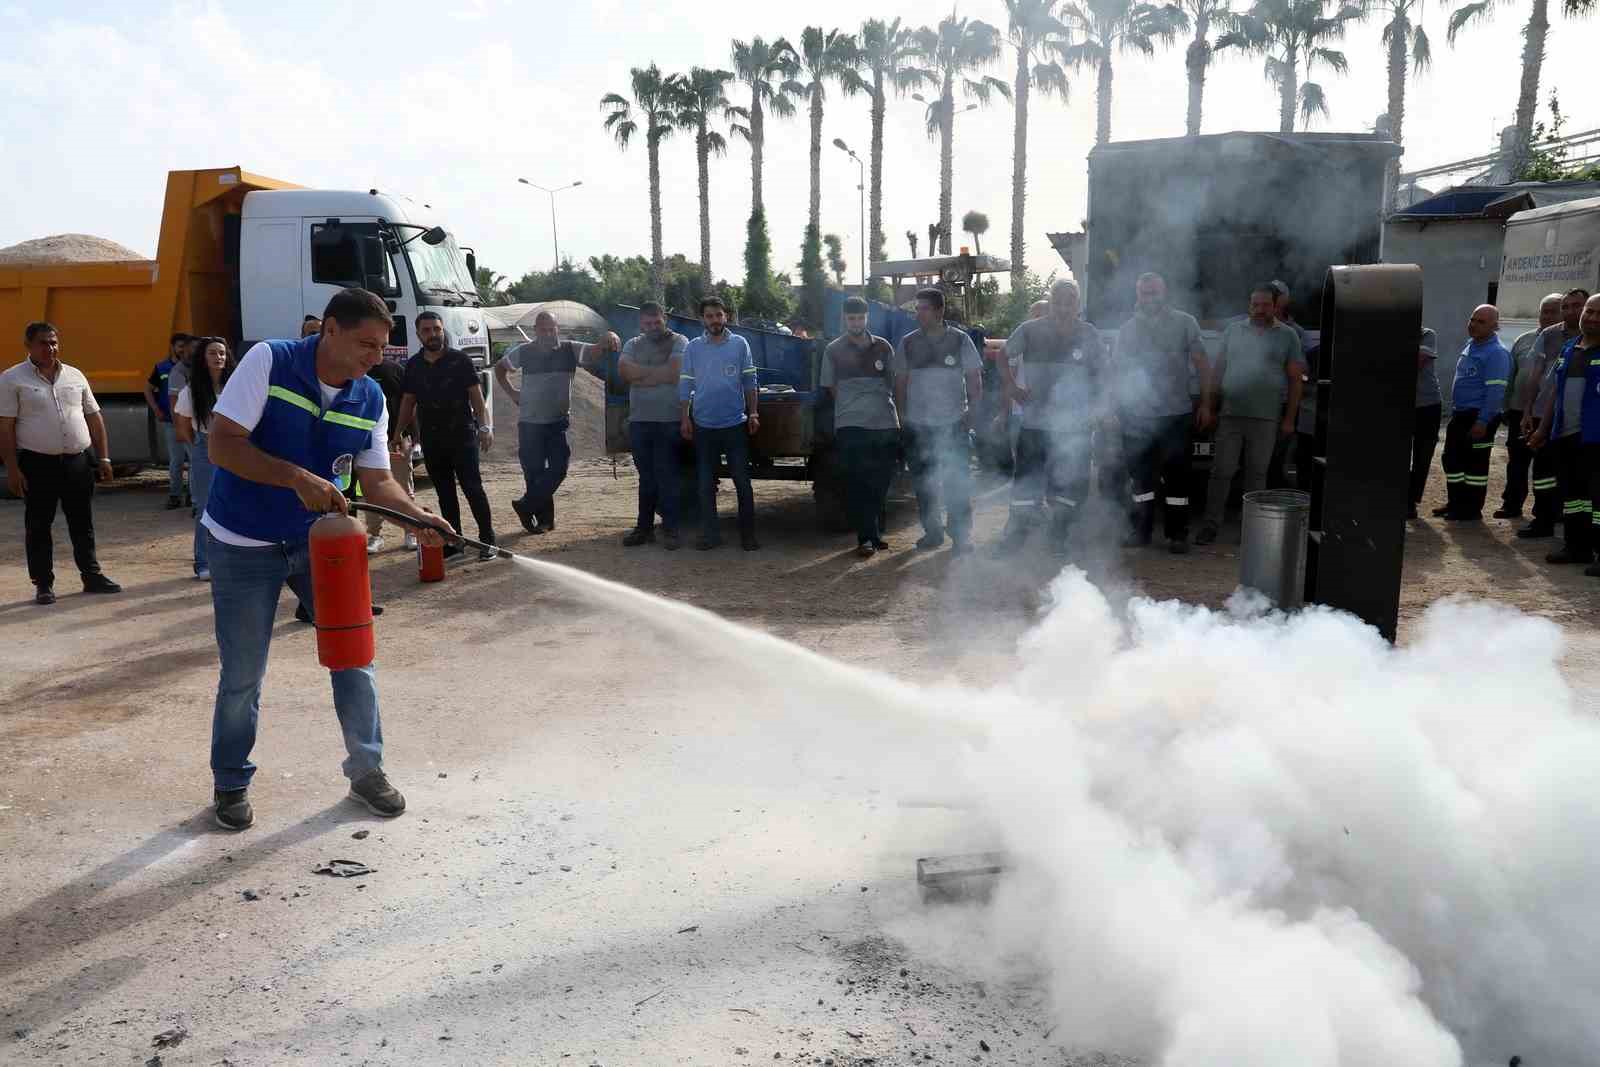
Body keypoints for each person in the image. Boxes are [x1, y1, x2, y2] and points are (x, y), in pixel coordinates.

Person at [200, 288, 447, 831]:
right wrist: (294, 476)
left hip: (320, 545)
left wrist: (418, 517)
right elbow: (221, 444)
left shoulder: (372, 398)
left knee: (353, 657)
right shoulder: (271, 360)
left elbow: (378, 481)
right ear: (328, 330)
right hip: (242, 541)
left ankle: (367, 771)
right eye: (365, 343)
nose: (374, 356)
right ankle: (231, 781)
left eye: (382, 347)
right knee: (244, 673)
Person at [1, 322, 122, 604]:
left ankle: (91, 576)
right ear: (28, 346)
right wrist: (13, 469)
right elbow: (5, 427)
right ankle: (43, 583)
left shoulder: (75, 376)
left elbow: (94, 416)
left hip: (77, 463)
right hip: (37, 464)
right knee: (39, 525)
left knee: (82, 522)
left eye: (54, 342)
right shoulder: (12, 379)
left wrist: (103, 457)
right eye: (44, 343)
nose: (50, 348)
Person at [995, 279, 1106, 554]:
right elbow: (1002, 355)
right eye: (1058, 301)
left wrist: (1098, 408)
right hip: (1035, 423)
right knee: (1026, 480)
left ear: (1078, 304)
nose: (1063, 307)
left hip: (1074, 428)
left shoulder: (1089, 334)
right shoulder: (1030, 330)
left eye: (1070, 301)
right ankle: (1016, 536)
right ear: (1051, 302)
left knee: (1068, 485)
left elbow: (1103, 374)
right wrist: (1011, 387)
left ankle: (1059, 537)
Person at [1195, 284, 1305, 545]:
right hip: (1231, 414)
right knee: (1221, 471)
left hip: (1266, 418)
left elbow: (1295, 380)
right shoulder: (1234, 331)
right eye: (1254, 304)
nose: (1259, 310)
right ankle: (1211, 525)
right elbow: (1218, 370)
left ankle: (1251, 531)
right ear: (1249, 305)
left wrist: (1289, 419)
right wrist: (1208, 406)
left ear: (1276, 306)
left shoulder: (1288, 336)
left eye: (1265, 305)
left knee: (1257, 474)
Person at [494, 311, 618, 535]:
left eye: (552, 329)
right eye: (543, 330)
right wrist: (512, 392)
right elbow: (500, 368)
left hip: (557, 421)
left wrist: (606, 337)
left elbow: (593, 352)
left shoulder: (569, 349)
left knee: (559, 468)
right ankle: (545, 521)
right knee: (534, 472)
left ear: (557, 329)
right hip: (530, 423)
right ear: (536, 331)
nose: (548, 334)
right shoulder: (525, 351)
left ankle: (526, 505)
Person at [1112, 272, 1210, 553]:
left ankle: (1177, 535)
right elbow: (1117, 372)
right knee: (1140, 478)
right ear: (1138, 296)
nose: (1150, 297)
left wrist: (1205, 403)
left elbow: (1202, 365)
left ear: (1164, 293)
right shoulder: (1127, 330)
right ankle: (1140, 532)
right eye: (1144, 293)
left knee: (1177, 477)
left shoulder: (1184, 323)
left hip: (1175, 415)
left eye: (1154, 292)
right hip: (1136, 416)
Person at [393, 312, 497, 560]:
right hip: (432, 438)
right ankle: (454, 541)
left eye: (437, 329)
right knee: (445, 492)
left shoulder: (460, 361)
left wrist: (485, 427)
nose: (433, 334)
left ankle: (487, 540)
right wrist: (397, 432)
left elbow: (476, 396)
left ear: (443, 331)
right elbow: (408, 403)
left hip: (462, 435)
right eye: (427, 330)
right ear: (419, 335)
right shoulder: (414, 366)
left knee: (473, 488)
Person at [895, 288, 983, 556]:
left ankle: (961, 536)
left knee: (957, 479)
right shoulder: (908, 343)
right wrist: (901, 414)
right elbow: (900, 381)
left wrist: (973, 411)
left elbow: (974, 378)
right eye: (917, 308)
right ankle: (932, 533)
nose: (918, 313)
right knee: (924, 482)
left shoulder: (959, 340)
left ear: (939, 311)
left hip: (953, 422)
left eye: (923, 308)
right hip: (919, 424)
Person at [679, 296, 760, 551]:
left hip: (735, 424)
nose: (715, 320)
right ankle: (710, 534)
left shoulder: (739, 344)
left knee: (742, 482)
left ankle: (748, 535)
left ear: (726, 316)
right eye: (709, 316)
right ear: (703, 319)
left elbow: (750, 380)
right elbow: (685, 384)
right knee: (704, 484)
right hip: (703, 426)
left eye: (718, 315)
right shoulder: (693, 348)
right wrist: (685, 417)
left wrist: (754, 413)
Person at [822, 296, 899, 557]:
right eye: (851, 318)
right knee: (858, 482)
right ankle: (866, 538)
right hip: (851, 424)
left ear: (867, 318)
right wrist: (852, 404)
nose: (856, 322)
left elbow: (894, 382)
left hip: (885, 422)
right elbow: (831, 387)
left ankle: (873, 533)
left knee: (882, 480)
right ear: (844, 319)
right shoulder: (833, 349)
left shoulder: (884, 347)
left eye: (860, 318)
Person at [1529, 293, 1599, 565]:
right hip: (1567, 438)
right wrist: (1542, 429)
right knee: (1574, 497)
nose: (1591, 317)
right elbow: (1555, 394)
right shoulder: (1570, 349)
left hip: (1596, 441)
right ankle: (1576, 548)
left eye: (1598, 313)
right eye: (1589, 312)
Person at [618, 302, 689, 549]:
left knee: (667, 476)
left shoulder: (680, 341)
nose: (652, 327)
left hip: (668, 420)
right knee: (646, 478)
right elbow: (625, 372)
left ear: (664, 319)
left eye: (656, 322)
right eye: (647, 323)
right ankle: (644, 528)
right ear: (641, 323)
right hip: (640, 421)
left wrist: (642, 376)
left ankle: (671, 529)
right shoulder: (632, 344)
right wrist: (658, 374)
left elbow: (675, 372)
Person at [1519, 288, 1588, 540]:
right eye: (1567, 306)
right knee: (1543, 471)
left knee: (1576, 476)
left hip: (1581, 420)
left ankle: (1576, 529)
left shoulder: (1591, 339)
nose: (1572, 311)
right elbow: (1534, 375)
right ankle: (1544, 519)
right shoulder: (1549, 336)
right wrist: (1527, 411)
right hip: (1545, 416)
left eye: (1578, 306)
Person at [1434, 304, 1511, 521]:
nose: (1474, 325)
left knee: (1475, 465)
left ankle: (1470, 509)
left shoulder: (1496, 353)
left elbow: (1495, 391)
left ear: (1495, 326)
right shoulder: (1472, 345)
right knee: (1452, 460)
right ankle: (1456, 503)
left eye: (1481, 322)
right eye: (1472, 319)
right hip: (1461, 415)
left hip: (1478, 417)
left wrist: (1483, 421)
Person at [1497, 294, 1563, 520]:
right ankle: (1511, 504)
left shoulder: (1569, 343)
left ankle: (1545, 511)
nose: (1547, 316)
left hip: (1547, 414)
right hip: (1519, 411)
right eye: (1544, 311)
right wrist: (1505, 406)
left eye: (1554, 311)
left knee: (1546, 466)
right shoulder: (1523, 340)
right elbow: (1512, 375)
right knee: (1517, 461)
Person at [173, 337, 234, 580]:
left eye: (222, 353)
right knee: (205, 508)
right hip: (205, 448)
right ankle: (203, 562)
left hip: (237, 448)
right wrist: (201, 447)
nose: (219, 357)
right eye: (212, 353)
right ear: (202, 358)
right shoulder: (191, 391)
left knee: (236, 504)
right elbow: (183, 427)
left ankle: (233, 561)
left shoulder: (237, 386)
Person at [362, 352, 414, 552]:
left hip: (396, 438)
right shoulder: (356, 370)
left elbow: (409, 403)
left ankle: (411, 530)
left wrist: (407, 434)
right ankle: (375, 535)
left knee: (403, 487)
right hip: (367, 441)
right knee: (369, 491)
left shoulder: (394, 369)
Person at [145, 333, 191, 509]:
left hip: (190, 420)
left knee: (194, 461)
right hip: (171, 421)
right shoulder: (162, 368)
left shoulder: (192, 367)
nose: (182, 350)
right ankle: (175, 495)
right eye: (179, 346)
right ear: (172, 347)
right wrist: (156, 409)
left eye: (185, 347)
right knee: (177, 460)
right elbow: (148, 390)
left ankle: (192, 496)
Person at [1409, 328, 1443, 520]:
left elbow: (1419, 361)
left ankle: (1411, 501)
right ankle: (1403, 500)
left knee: (1422, 455)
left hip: (1427, 405)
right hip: (1399, 406)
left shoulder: (1427, 334)